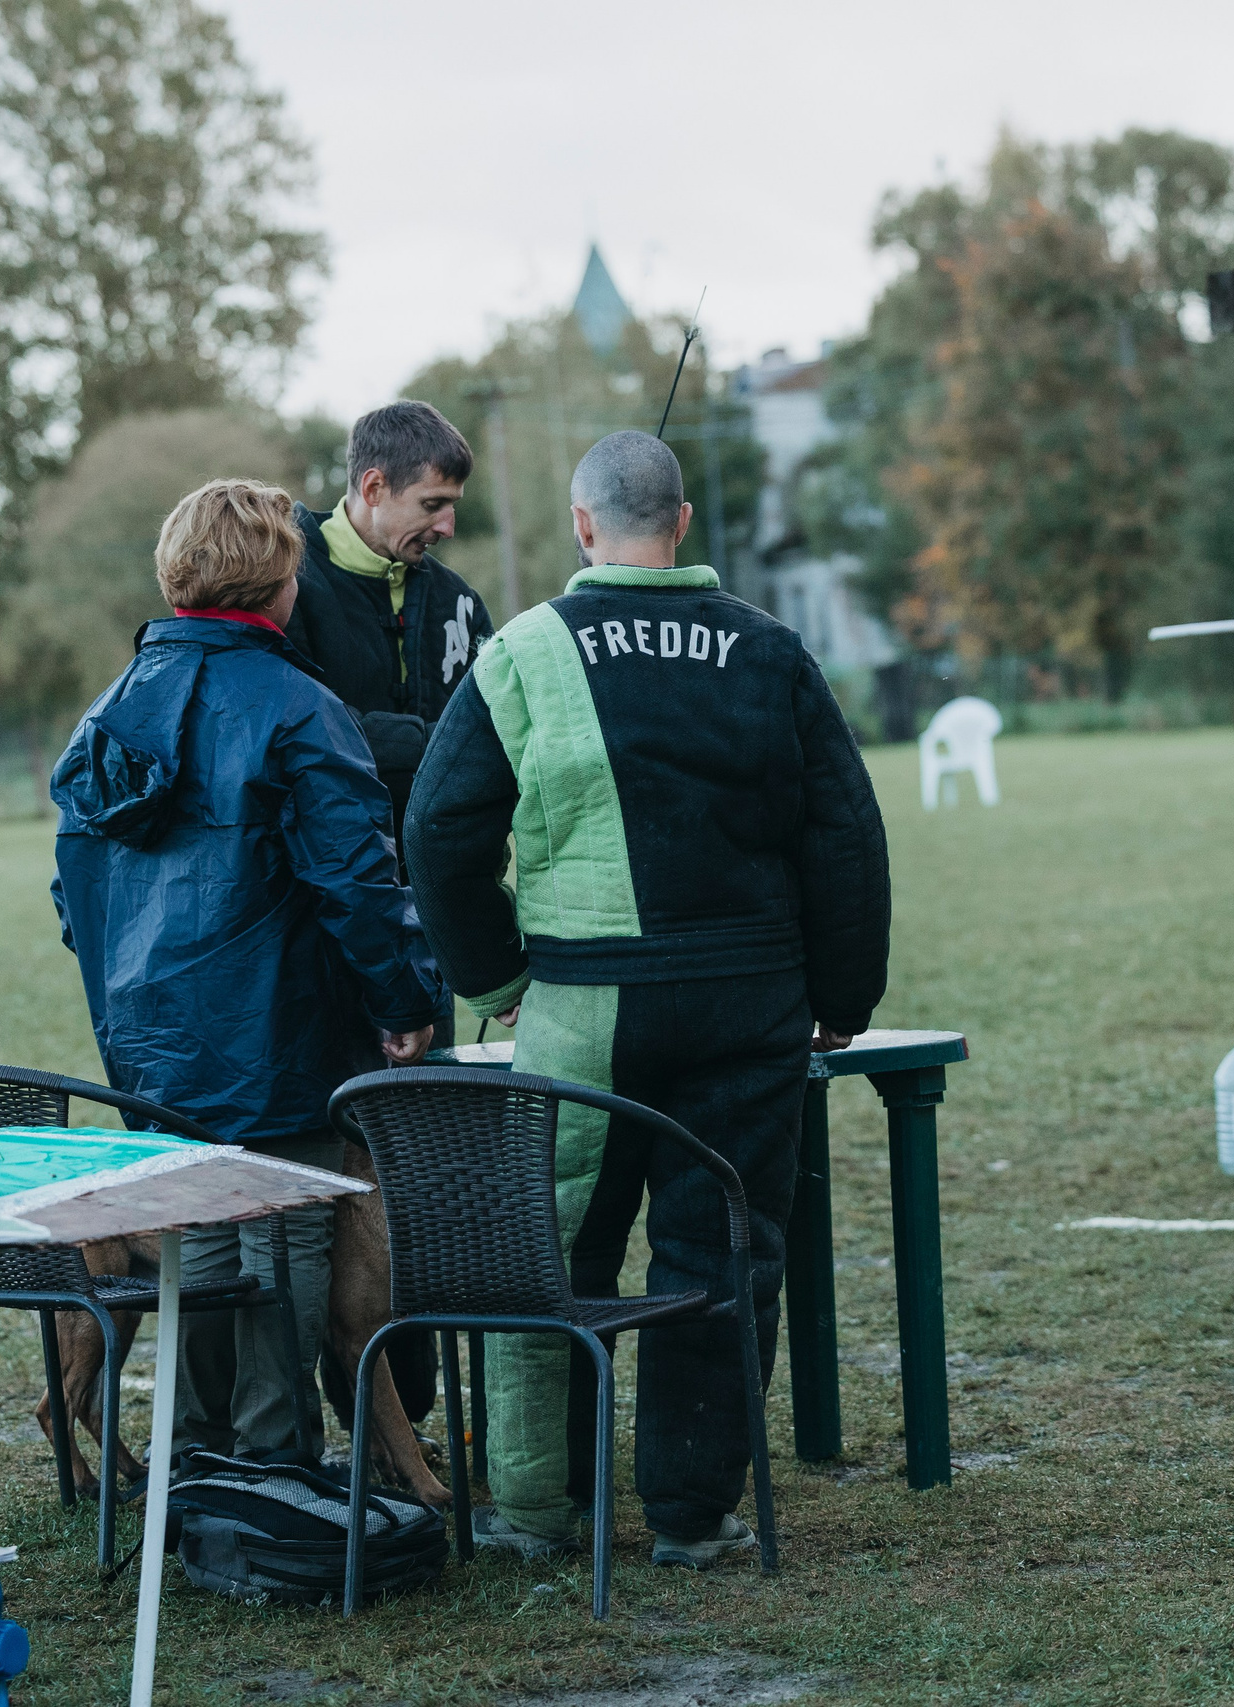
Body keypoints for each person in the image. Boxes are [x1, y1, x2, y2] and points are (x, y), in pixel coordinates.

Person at [405, 430, 891, 1567]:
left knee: (551, 1254)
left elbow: (437, 827)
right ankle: (691, 1514)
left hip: (584, 1008)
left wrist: (495, 976)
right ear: (681, 522)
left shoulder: (527, 650)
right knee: (721, 1250)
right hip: (748, 1007)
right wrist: (845, 995)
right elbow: (844, 833)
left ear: (582, 525)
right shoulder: (770, 649)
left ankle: (537, 1512)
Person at [52, 477, 445, 1464]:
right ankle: (270, 1476)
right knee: (280, 1245)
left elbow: (73, 893)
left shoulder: (107, 712)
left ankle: (196, 1468)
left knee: (195, 1242)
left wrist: (130, 988)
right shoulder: (301, 709)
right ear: (280, 586)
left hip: (150, 1055)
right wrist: (405, 1000)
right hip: (282, 1045)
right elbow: (357, 881)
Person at [284, 400, 494, 844]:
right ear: (374, 487)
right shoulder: (282, 587)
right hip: (326, 866)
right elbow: (295, 732)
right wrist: (436, 744)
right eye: (432, 504)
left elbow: (494, 735)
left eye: (453, 505)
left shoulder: (461, 603)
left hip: (444, 867)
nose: (448, 527)